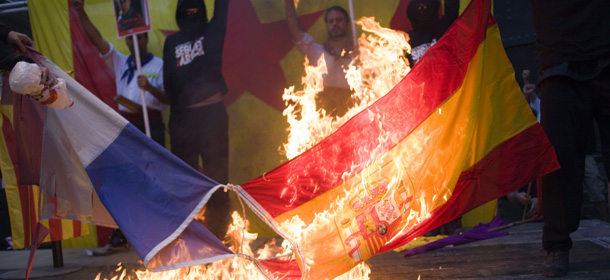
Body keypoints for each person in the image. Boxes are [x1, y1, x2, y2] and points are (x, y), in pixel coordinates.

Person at [529, 0, 610, 277]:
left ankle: (558, 245)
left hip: (606, 50)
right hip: (558, 61)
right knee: (559, 158)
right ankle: (558, 246)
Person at [162, 0, 230, 239]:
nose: (191, 14)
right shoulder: (171, 42)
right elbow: (168, 83)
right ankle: (190, 235)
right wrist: (178, 118)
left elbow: (222, 7)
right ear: (180, 14)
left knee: (218, 178)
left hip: (212, 114)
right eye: (186, 11)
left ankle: (219, 234)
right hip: (183, 118)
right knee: (184, 179)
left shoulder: (213, 31)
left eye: (195, 10)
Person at [74, 0, 168, 147]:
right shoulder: (120, 62)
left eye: (139, 37)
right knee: (133, 166)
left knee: (158, 166)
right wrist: (80, 12)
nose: (134, 42)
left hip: (152, 122)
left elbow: (168, 99)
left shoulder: (159, 65)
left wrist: (150, 88)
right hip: (128, 124)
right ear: (126, 41)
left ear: (147, 39)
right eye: (130, 38)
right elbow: (97, 40)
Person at [284, 0, 357, 118]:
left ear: (347, 23)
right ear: (327, 25)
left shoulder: (359, 53)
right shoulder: (317, 52)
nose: (335, 24)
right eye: (331, 21)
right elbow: (293, 29)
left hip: (353, 113)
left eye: (339, 20)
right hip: (325, 118)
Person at [405, 0, 459, 66]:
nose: (422, 12)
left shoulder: (443, 28)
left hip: (445, 74)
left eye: (426, 7)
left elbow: (452, 9)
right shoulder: (405, 40)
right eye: (418, 8)